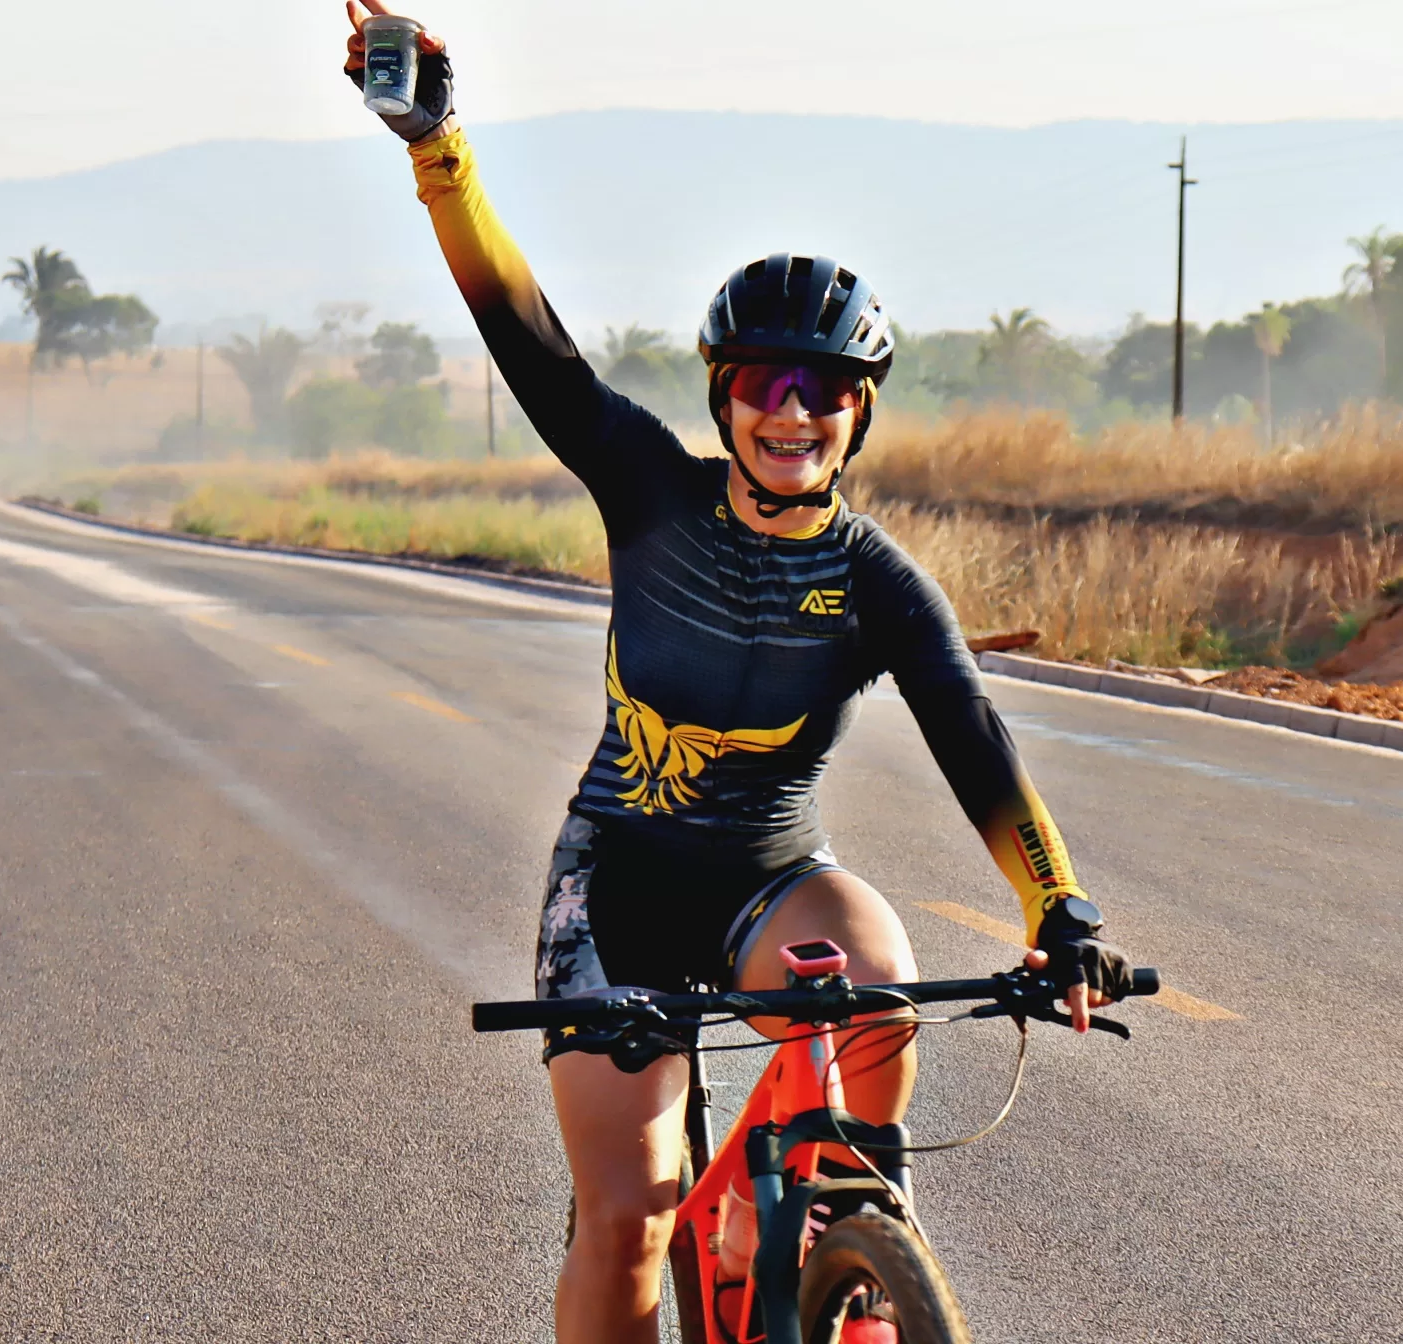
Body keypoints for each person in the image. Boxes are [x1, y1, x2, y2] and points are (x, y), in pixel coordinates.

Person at [342, 9, 1134, 1341]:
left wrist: (1064, 918)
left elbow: (978, 751)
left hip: (773, 875)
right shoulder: (652, 495)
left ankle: (849, 1246)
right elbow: (528, 338)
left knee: (876, 990)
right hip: (623, 889)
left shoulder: (879, 584)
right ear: (725, 398)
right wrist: (439, 149)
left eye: (826, 389)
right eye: (766, 381)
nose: (793, 410)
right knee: (631, 1216)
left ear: (858, 413)